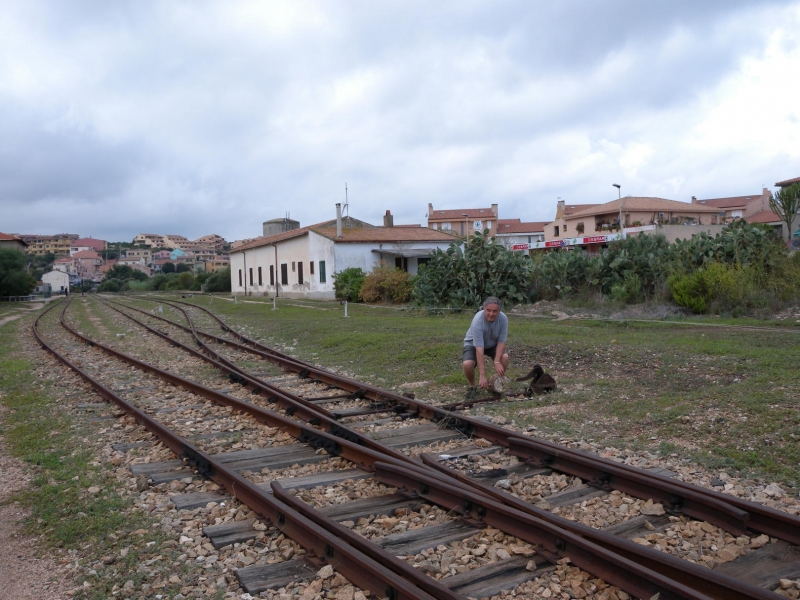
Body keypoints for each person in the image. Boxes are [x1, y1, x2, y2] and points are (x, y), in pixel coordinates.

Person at [462, 296, 509, 398]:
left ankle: (495, 384)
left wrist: (496, 361)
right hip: (473, 343)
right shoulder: (477, 321)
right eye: (488, 310)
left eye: (495, 311)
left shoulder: (503, 319)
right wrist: (482, 374)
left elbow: (502, 341)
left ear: (499, 311)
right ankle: (472, 387)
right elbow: (479, 349)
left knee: (504, 357)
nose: (491, 314)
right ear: (483, 309)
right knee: (467, 364)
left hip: (493, 343)